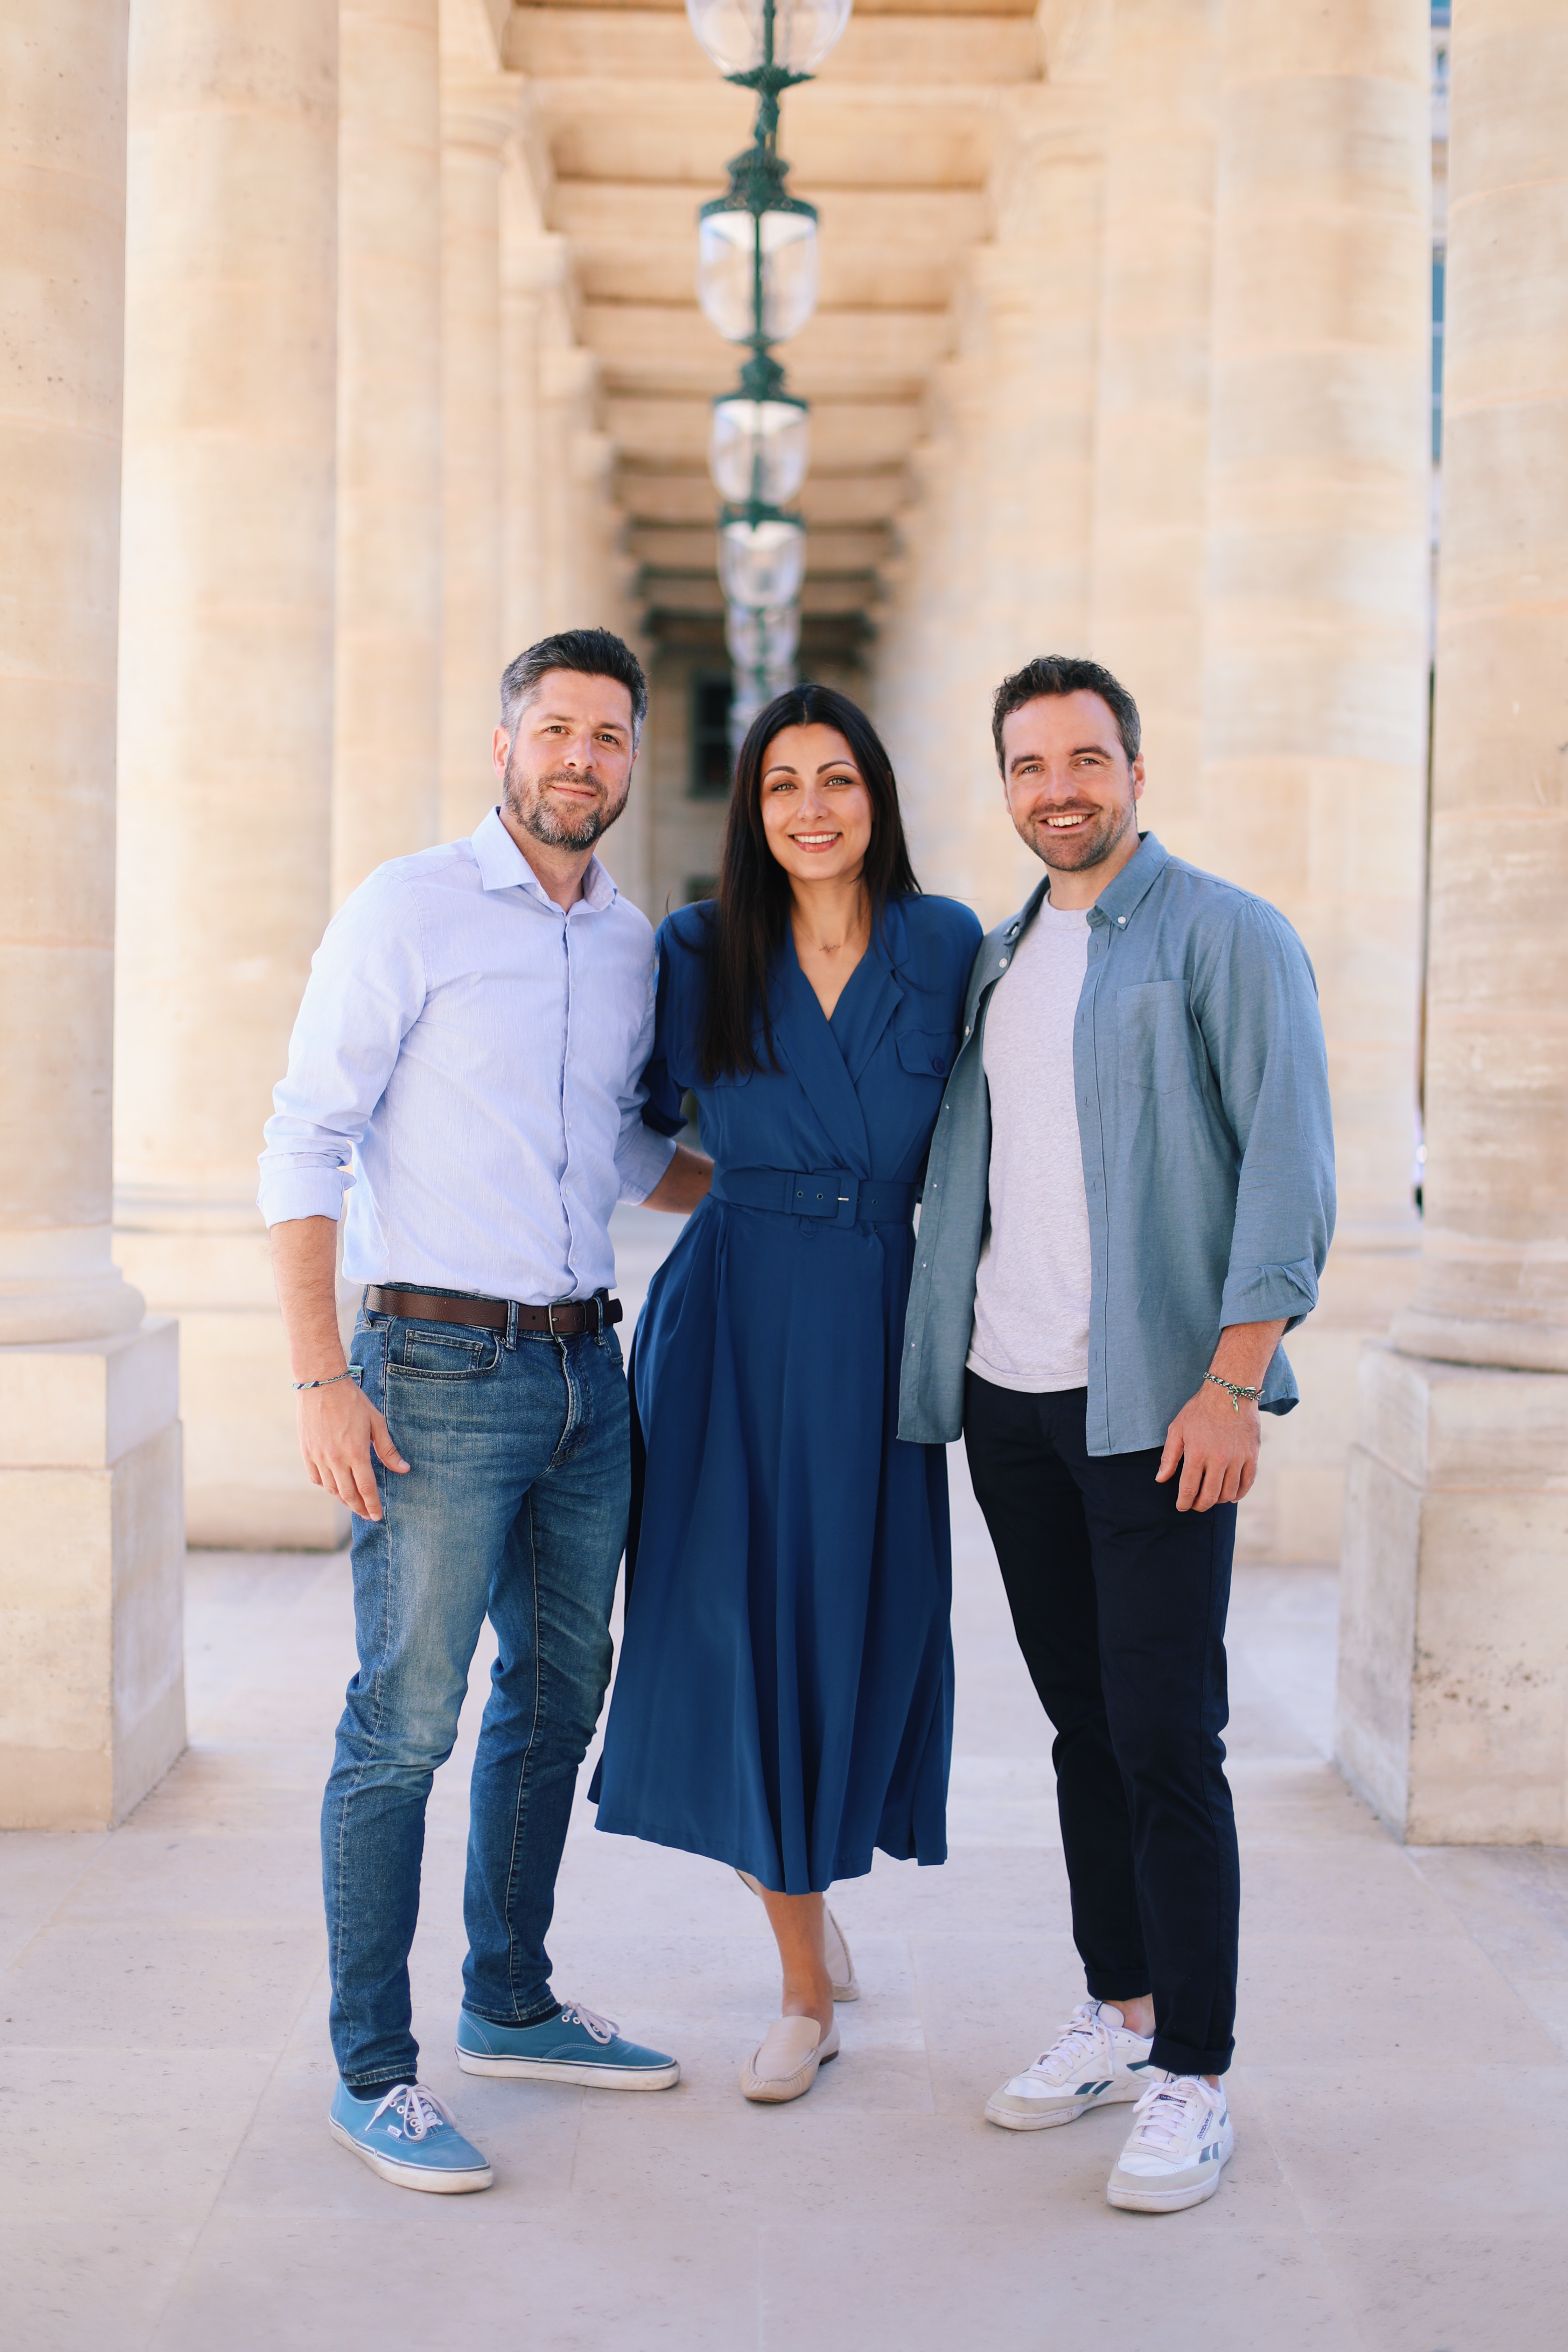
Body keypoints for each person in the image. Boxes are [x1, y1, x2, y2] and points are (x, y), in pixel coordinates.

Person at [258, 628, 712, 2194]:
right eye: (555, 730)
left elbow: (628, 1156)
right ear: (502, 746)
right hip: (436, 1375)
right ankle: (372, 2072)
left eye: (607, 735)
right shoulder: (409, 909)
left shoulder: (636, 943)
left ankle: (509, 2000)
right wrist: (321, 1376)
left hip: (594, 1375)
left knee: (556, 1702)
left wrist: (810, 1203)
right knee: (404, 1723)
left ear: (632, 758)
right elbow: (305, 1139)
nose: (580, 757)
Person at [899, 655, 1335, 2213]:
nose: (1059, 788)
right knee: (1084, 1725)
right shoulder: (1003, 957)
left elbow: (1287, 1168)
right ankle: (1120, 2008)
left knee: (1167, 1738)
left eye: (1086, 759)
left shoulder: (1226, 936)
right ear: (1006, 785)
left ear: (1134, 773)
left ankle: (1195, 2076)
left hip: (1154, 1406)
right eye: (1030, 765)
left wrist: (1234, 1381)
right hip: (1012, 1400)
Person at [592, 683, 982, 2105]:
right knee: (738, 1624)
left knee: (865, 1619)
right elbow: (627, 1135)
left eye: (837, 780)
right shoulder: (699, 947)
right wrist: (759, 1200)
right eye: (779, 785)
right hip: (734, 1319)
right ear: (752, 813)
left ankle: (815, 1885)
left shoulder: (947, 944)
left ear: (877, 800)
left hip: (880, 1318)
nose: (810, 808)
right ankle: (801, 1989)